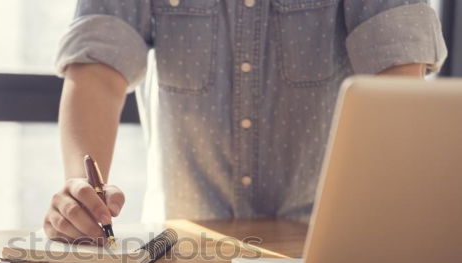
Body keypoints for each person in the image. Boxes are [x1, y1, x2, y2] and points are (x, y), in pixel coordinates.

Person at [44, 0, 447, 242]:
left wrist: (391, 209)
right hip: (181, 250)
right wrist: (82, 196)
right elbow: (98, 67)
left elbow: (397, 61)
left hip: (321, 249)